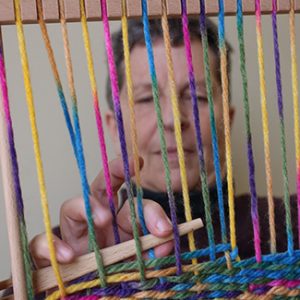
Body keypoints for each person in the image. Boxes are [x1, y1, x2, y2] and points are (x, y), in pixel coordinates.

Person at [30, 17, 298, 270]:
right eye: (147, 99)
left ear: (226, 122)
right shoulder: (65, 257)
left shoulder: (289, 226)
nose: (172, 120)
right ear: (114, 128)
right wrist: (88, 284)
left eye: (197, 97)